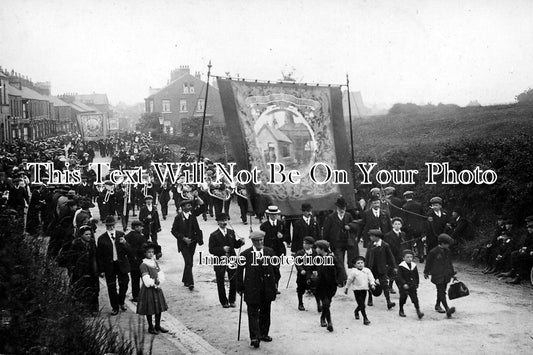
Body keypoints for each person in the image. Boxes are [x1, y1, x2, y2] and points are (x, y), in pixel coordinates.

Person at [236, 231, 280, 349]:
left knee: (266, 312)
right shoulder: (246, 254)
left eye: (261, 240)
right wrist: (239, 287)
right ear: (252, 242)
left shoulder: (269, 252)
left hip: (267, 288)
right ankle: (255, 337)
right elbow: (239, 272)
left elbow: (276, 269)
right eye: (257, 241)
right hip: (252, 288)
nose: (260, 242)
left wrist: (275, 283)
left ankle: (264, 333)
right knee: (253, 313)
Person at [96, 216, 132, 315]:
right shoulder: (101, 239)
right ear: (106, 226)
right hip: (109, 266)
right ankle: (115, 306)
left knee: (124, 283)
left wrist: (125, 243)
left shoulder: (121, 235)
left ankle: (121, 301)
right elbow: (100, 256)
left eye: (112, 225)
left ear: (115, 225)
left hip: (121, 264)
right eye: (108, 226)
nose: (111, 227)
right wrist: (101, 270)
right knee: (111, 287)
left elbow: (129, 251)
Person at [208, 213, 245, 308]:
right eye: (222, 221)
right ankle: (224, 301)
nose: (224, 222)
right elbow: (211, 250)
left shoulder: (231, 232)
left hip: (232, 259)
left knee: (233, 280)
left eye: (226, 220)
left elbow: (235, 245)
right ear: (218, 222)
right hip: (220, 260)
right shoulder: (214, 235)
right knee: (220, 281)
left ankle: (232, 300)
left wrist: (241, 242)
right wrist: (222, 249)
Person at [171, 197, 204, 290]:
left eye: (190, 205)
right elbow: (173, 231)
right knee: (188, 262)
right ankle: (190, 283)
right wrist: (183, 238)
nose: (190, 207)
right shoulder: (178, 217)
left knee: (190, 262)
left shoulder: (193, 214)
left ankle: (185, 279)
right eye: (188, 205)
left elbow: (202, 208)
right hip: (183, 244)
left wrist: (198, 198)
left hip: (193, 242)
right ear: (183, 207)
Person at [136, 242, 169, 335]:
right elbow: (146, 279)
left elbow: (160, 272)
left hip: (157, 287)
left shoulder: (154, 262)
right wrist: (153, 283)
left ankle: (157, 325)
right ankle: (150, 326)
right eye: (149, 252)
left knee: (158, 307)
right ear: (145, 253)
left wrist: (159, 280)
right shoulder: (143, 264)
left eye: (152, 252)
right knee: (149, 308)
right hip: (149, 289)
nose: (151, 254)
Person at [314, 240, 346, 332]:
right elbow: (312, 268)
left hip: (331, 285)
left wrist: (340, 281)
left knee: (327, 303)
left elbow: (340, 269)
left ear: (322, 249)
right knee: (325, 303)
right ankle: (329, 323)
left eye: (317, 248)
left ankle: (323, 317)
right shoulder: (316, 257)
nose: (316, 249)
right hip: (321, 285)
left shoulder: (332, 258)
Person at [424, 233, 457, 318]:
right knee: (441, 291)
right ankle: (447, 308)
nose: (448, 246)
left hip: (446, 274)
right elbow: (428, 263)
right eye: (447, 244)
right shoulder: (433, 252)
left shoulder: (448, 251)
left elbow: (450, 263)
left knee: (442, 291)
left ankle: (437, 305)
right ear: (442, 243)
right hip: (437, 274)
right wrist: (426, 272)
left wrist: (453, 274)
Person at [68, 225, 99, 314]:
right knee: (80, 289)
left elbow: (96, 256)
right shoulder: (75, 244)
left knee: (93, 289)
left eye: (90, 234)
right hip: (80, 271)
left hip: (91, 270)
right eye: (86, 234)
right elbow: (71, 259)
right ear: (81, 235)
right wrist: (72, 270)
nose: (89, 236)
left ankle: (93, 309)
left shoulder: (92, 243)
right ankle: (80, 308)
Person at [322, 197, 358, 269]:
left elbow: (355, 225)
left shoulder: (348, 215)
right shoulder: (330, 217)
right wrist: (326, 243)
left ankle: (348, 274)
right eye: (340, 207)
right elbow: (326, 231)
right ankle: (342, 278)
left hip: (347, 242)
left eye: (343, 207)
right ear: (337, 207)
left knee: (351, 260)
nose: (342, 209)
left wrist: (350, 226)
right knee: (339, 261)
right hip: (336, 243)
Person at [365, 229, 397, 309]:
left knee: (385, 284)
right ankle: (370, 298)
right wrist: (365, 268)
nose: (370, 237)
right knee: (370, 283)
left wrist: (394, 266)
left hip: (381, 268)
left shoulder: (385, 245)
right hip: (371, 268)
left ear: (377, 237)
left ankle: (388, 301)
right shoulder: (370, 244)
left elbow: (390, 256)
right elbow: (367, 256)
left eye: (372, 236)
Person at [344, 255, 375, 325]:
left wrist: (372, 284)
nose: (360, 264)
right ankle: (365, 318)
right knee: (362, 304)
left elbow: (371, 278)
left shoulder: (367, 270)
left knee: (362, 304)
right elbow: (349, 280)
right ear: (355, 265)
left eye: (362, 263)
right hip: (357, 290)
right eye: (358, 263)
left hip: (364, 289)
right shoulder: (353, 272)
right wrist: (346, 288)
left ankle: (356, 311)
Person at [396, 249, 424, 319]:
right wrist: (403, 283)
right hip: (404, 285)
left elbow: (416, 276)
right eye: (407, 257)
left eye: (411, 257)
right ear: (403, 258)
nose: (409, 259)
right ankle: (401, 309)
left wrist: (417, 283)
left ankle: (418, 311)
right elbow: (399, 276)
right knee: (403, 297)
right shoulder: (401, 266)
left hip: (412, 284)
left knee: (415, 298)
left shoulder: (414, 265)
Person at [294, 236, 320, 311]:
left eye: (306, 244)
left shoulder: (315, 252)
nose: (304, 245)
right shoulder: (299, 253)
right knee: (300, 289)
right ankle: (300, 303)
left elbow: (318, 262)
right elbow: (297, 263)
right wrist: (301, 269)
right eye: (304, 243)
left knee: (316, 289)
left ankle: (318, 304)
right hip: (302, 275)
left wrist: (316, 270)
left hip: (311, 274)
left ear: (311, 245)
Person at [125, 220, 147, 302]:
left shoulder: (127, 236)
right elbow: (143, 249)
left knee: (134, 280)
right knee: (145, 278)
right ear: (136, 227)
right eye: (141, 226)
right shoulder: (141, 237)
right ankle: (146, 294)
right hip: (140, 261)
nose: (142, 228)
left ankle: (136, 296)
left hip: (131, 262)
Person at [402, 191, 426, 262]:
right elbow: (423, 216)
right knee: (420, 241)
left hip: (409, 227)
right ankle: (421, 256)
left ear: (405, 197)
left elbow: (404, 219)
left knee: (408, 242)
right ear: (412, 196)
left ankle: (410, 257)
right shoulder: (419, 205)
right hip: (419, 226)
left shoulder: (404, 206)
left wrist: (404, 227)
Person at [383, 217, 405, 294]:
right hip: (391, 255)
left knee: (399, 272)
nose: (397, 226)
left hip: (400, 256)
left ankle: (391, 286)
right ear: (392, 225)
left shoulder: (403, 234)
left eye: (399, 224)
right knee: (393, 271)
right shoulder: (388, 235)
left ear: (401, 225)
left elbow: (404, 245)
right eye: (395, 224)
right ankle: (391, 287)